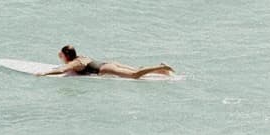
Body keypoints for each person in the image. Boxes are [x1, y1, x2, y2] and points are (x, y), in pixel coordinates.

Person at [38, 45, 175, 80]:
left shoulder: (74, 63)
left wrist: (45, 73)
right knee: (136, 69)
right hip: (109, 63)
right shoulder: (80, 57)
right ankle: (162, 71)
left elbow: (62, 70)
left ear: (66, 56)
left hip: (105, 69)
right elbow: (65, 58)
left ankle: (161, 67)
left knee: (135, 75)